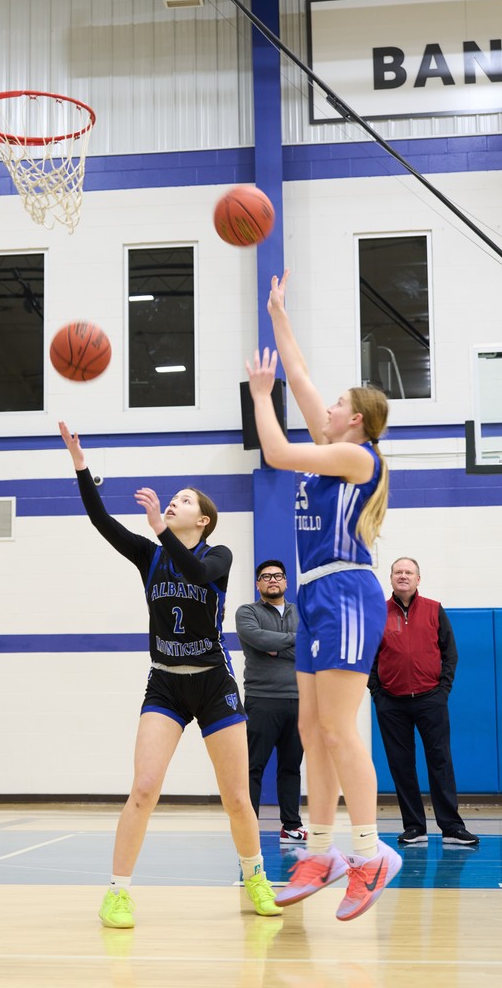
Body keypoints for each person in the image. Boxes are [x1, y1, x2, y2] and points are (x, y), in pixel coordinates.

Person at [58, 421, 282, 928]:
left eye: (184, 500)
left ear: (202, 520)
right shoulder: (149, 554)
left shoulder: (218, 557)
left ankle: (256, 877)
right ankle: (118, 892)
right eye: (173, 499)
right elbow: (101, 521)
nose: (174, 502)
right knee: (144, 787)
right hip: (165, 682)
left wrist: (160, 526)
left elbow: (199, 575)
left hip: (214, 683)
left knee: (237, 797)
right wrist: (81, 466)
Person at [244, 270, 401, 922]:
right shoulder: (335, 446)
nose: (326, 407)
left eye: (337, 404)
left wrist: (260, 394)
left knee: (338, 729)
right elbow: (302, 375)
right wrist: (279, 316)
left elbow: (276, 452)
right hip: (313, 596)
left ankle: (371, 855)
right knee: (312, 730)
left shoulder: (358, 459)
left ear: (356, 421)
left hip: (346, 593)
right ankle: (321, 851)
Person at [368, 557, 480, 847]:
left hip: (431, 699)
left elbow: (449, 653)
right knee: (401, 765)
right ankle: (415, 827)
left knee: (440, 761)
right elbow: (368, 656)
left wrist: (443, 689)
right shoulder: (377, 612)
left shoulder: (433, 609)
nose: (403, 576)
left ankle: (452, 827)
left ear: (418, 579)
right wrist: (376, 693)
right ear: (391, 578)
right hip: (391, 702)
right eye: (398, 572)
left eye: (409, 572)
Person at [235, 559, 306, 845]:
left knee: (291, 766)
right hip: (261, 700)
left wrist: (279, 645)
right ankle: (247, 826)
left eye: (278, 576)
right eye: (266, 577)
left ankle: (291, 826)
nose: (272, 580)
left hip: (299, 700)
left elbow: (313, 647)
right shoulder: (247, 612)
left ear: (286, 582)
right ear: (258, 584)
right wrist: (292, 641)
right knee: (253, 767)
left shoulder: (303, 613)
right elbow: (259, 640)